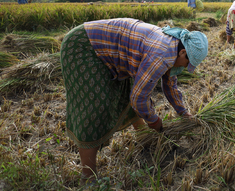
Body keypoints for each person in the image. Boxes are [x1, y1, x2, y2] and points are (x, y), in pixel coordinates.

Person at [60, 18, 208, 181]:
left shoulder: (175, 45)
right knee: (95, 108)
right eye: (188, 62)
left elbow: (170, 85)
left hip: (112, 49)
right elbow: (139, 98)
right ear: (182, 52)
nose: (187, 67)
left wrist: (183, 112)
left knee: (128, 90)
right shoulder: (162, 55)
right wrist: (154, 121)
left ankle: (145, 139)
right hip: (84, 46)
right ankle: (88, 175)